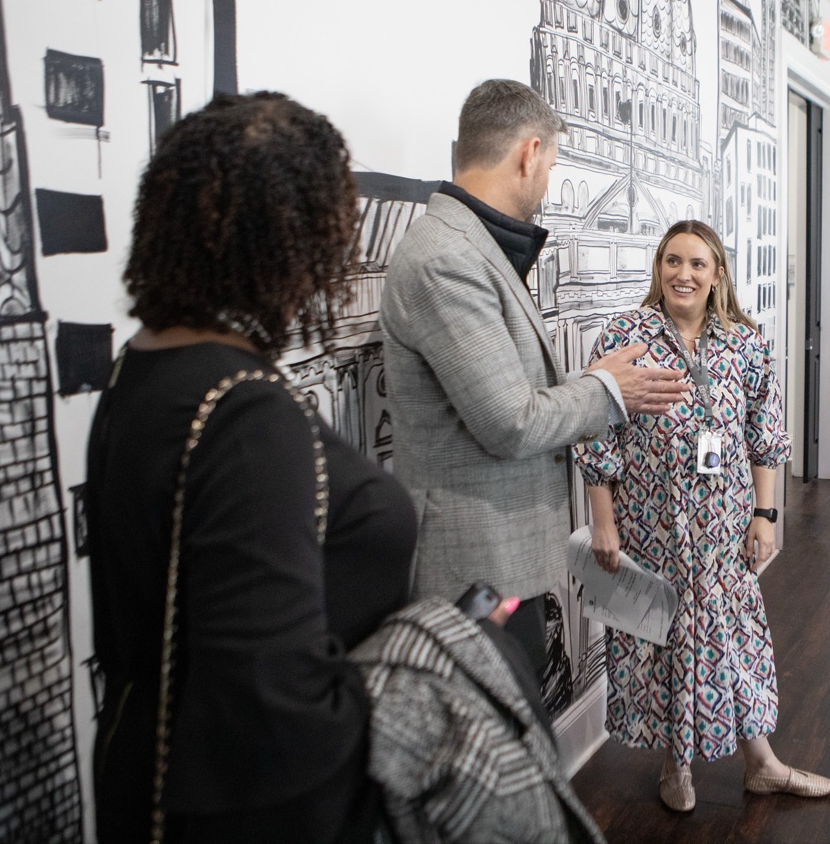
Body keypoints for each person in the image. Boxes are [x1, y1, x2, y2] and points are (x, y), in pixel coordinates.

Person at [85, 92, 417, 843]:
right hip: (256, 812)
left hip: (149, 776)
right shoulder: (246, 412)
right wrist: (433, 674)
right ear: (295, 239)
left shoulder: (141, 370)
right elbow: (275, 709)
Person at [380, 79, 688, 672]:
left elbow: (505, 388)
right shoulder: (448, 257)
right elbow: (511, 422)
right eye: (551, 165)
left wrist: (589, 380)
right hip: (476, 565)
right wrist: (606, 391)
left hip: (500, 562)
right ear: (529, 153)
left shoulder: (470, 245)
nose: (548, 183)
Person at [573, 220, 830, 812]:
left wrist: (765, 514)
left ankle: (760, 763)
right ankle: (678, 764)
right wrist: (603, 520)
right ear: (658, 268)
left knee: (730, 636)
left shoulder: (745, 343)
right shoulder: (625, 337)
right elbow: (596, 432)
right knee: (665, 638)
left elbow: (765, 432)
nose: (683, 274)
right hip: (651, 524)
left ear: (717, 274)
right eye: (673, 261)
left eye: (697, 263)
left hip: (723, 529)